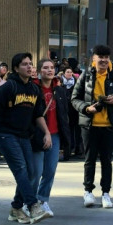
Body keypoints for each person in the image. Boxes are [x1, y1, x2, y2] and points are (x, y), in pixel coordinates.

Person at [0, 52, 52, 224]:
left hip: (24, 136)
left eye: (30, 63)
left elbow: (38, 115)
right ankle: (33, 205)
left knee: (31, 172)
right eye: (24, 64)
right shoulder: (8, 87)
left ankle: (16, 208)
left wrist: (46, 132)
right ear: (16, 68)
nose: (29, 67)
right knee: (21, 170)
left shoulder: (33, 89)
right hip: (6, 134)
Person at [71, 45, 113, 208]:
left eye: (106, 57)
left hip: (109, 126)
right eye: (100, 57)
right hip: (89, 125)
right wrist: (86, 108)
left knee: (106, 161)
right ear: (93, 59)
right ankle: (88, 191)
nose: (103, 60)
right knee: (89, 160)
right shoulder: (86, 75)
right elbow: (74, 98)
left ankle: (106, 193)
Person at [29, 58, 70, 215]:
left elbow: (64, 113)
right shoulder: (33, 89)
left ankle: (43, 199)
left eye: (52, 67)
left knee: (50, 171)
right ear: (40, 71)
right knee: (36, 172)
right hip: (38, 135)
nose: (50, 70)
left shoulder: (59, 90)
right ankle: (30, 202)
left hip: (55, 135)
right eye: (46, 68)